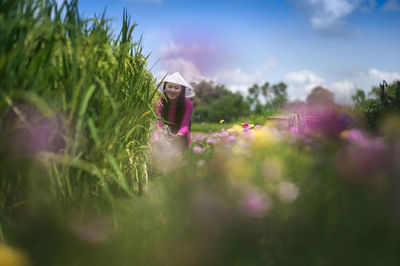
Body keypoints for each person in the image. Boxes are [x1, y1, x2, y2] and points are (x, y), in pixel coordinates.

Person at [155, 72, 195, 149]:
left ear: (181, 90)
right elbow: (158, 123)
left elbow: (185, 124)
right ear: (165, 87)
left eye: (176, 88)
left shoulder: (188, 104)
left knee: (179, 154)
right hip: (162, 131)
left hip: (180, 134)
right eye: (170, 87)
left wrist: (178, 135)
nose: (173, 90)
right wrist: (160, 135)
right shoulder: (158, 102)